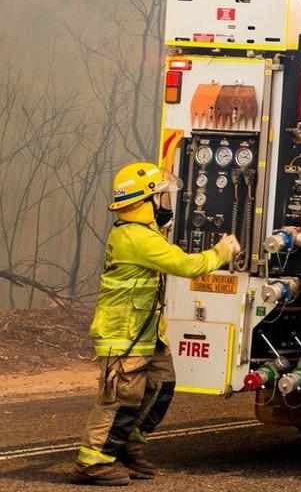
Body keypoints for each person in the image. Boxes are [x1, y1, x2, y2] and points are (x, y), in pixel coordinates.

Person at [73, 162, 240, 486]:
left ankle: (126, 448)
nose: (165, 205)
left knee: (161, 386)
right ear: (143, 202)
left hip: (146, 332)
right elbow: (186, 264)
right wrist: (221, 251)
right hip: (124, 334)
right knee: (121, 398)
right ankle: (93, 462)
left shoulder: (143, 234)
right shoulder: (135, 238)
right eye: (160, 198)